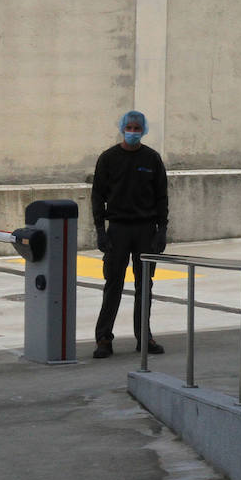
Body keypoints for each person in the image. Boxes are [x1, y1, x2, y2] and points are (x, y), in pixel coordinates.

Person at [91, 110, 169, 358]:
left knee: (144, 284)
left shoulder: (152, 159)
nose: (133, 132)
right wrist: (100, 232)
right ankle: (104, 338)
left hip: (145, 229)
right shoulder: (108, 159)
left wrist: (162, 230)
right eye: (130, 128)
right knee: (113, 284)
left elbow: (161, 197)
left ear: (143, 130)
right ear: (122, 128)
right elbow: (97, 196)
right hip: (118, 230)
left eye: (137, 128)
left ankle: (144, 337)